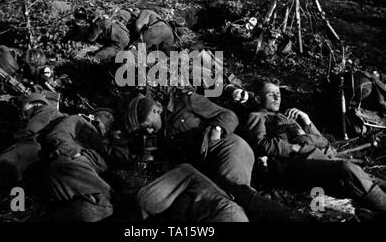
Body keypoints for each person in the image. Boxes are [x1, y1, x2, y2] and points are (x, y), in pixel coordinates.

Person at [124, 91, 313, 222]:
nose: (148, 130)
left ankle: (296, 218)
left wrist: (217, 129)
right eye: (145, 129)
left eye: (148, 125)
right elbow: (147, 163)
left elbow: (228, 115)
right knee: (219, 203)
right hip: (207, 168)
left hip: (227, 148)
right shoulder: (155, 135)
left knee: (237, 195)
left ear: (157, 110)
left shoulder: (186, 101)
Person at [244, 77, 386, 217]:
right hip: (299, 165)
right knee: (346, 169)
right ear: (258, 99)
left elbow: (322, 141)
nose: (277, 98)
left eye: (278, 94)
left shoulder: (287, 116)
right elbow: (260, 144)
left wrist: (307, 121)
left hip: (320, 156)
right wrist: (293, 148)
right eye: (271, 94)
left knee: (373, 181)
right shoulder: (257, 116)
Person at [137, 163, 248, 222]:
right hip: (229, 212)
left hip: (227, 214)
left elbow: (145, 201)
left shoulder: (184, 172)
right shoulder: (188, 178)